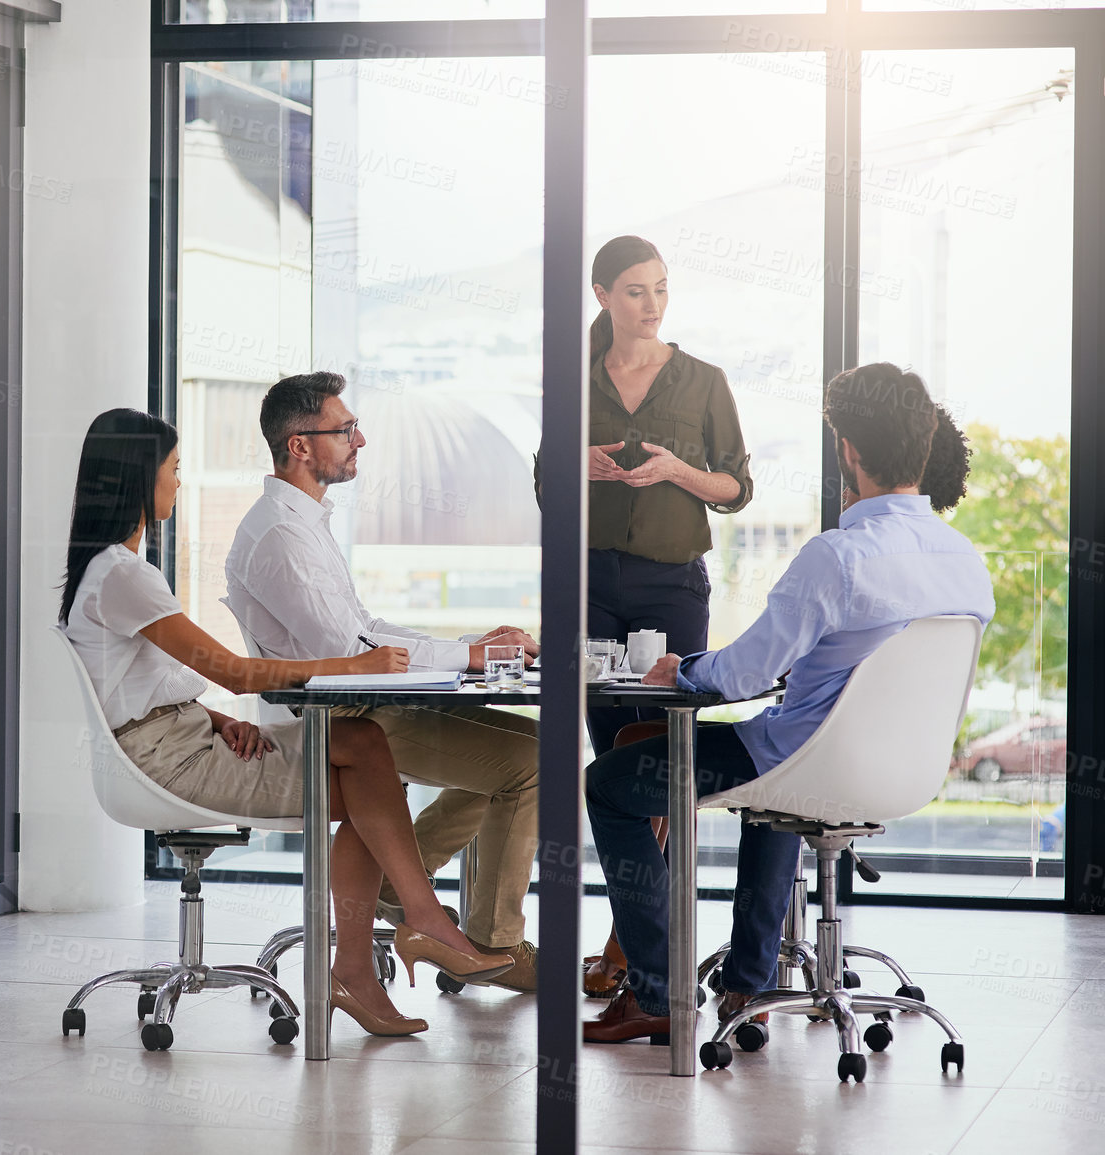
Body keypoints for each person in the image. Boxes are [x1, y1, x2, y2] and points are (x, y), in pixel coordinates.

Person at [60, 408, 515, 1037]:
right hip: (168, 759)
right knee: (367, 773)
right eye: (174, 470)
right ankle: (405, 935)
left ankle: (390, 946)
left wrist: (214, 719)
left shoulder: (109, 571)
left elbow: (133, 683)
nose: (179, 484)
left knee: (361, 742)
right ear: (138, 480)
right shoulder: (124, 575)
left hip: (182, 735)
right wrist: (355, 664)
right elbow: (238, 672)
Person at [581, 363, 994, 1044]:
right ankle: (751, 977)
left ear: (848, 453)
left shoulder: (838, 556)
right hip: (905, 771)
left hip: (802, 761)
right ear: (923, 447)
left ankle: (656, 990)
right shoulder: (964, 560)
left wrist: (680, 669)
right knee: (781, 758)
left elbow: (742, 674)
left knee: (612, 783)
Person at [224, 372, 544, 992]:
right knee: (532, 764)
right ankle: (492, 946)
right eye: (344, 430)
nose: (360, 440)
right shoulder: (282, 535)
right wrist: (469, 658)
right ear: (300, 446)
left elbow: (362, 627)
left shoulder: (300, 520)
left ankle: (407, 892)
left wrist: (469, 647)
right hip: (339, 723)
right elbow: (349, 652)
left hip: (364, 706)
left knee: (530, 752)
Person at [536, 235, 754, 757]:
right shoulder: (572, 383)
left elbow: (737, 490)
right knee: (611, 750)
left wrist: (678, 471)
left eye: (660, 289)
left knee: (667, 747)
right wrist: (575, 464)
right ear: (602, 295)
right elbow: (548, 488)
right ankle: (633, 842)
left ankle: (662, 844)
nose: (652, 305)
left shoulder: (704, 381)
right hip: (587, 582)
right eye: (636, 292)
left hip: (671, 584)